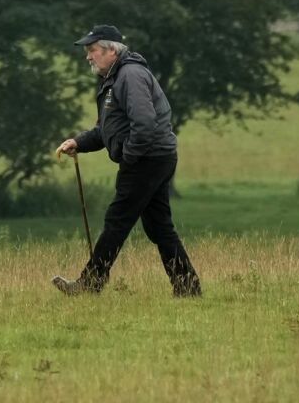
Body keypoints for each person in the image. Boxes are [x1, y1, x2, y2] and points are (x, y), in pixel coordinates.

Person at [52, 24, 202, 297]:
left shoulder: (129, 76)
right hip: (154, 157)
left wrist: (130, 157)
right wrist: (79, 142)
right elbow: (107, 129)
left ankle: (90, 285)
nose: (88, 56)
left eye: (93, 50)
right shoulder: (114, 78)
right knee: (159, 227)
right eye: (88, 51)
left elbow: (144, 124)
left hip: (147, 158)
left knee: (117, 221)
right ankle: (187, 287)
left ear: (111, 50)